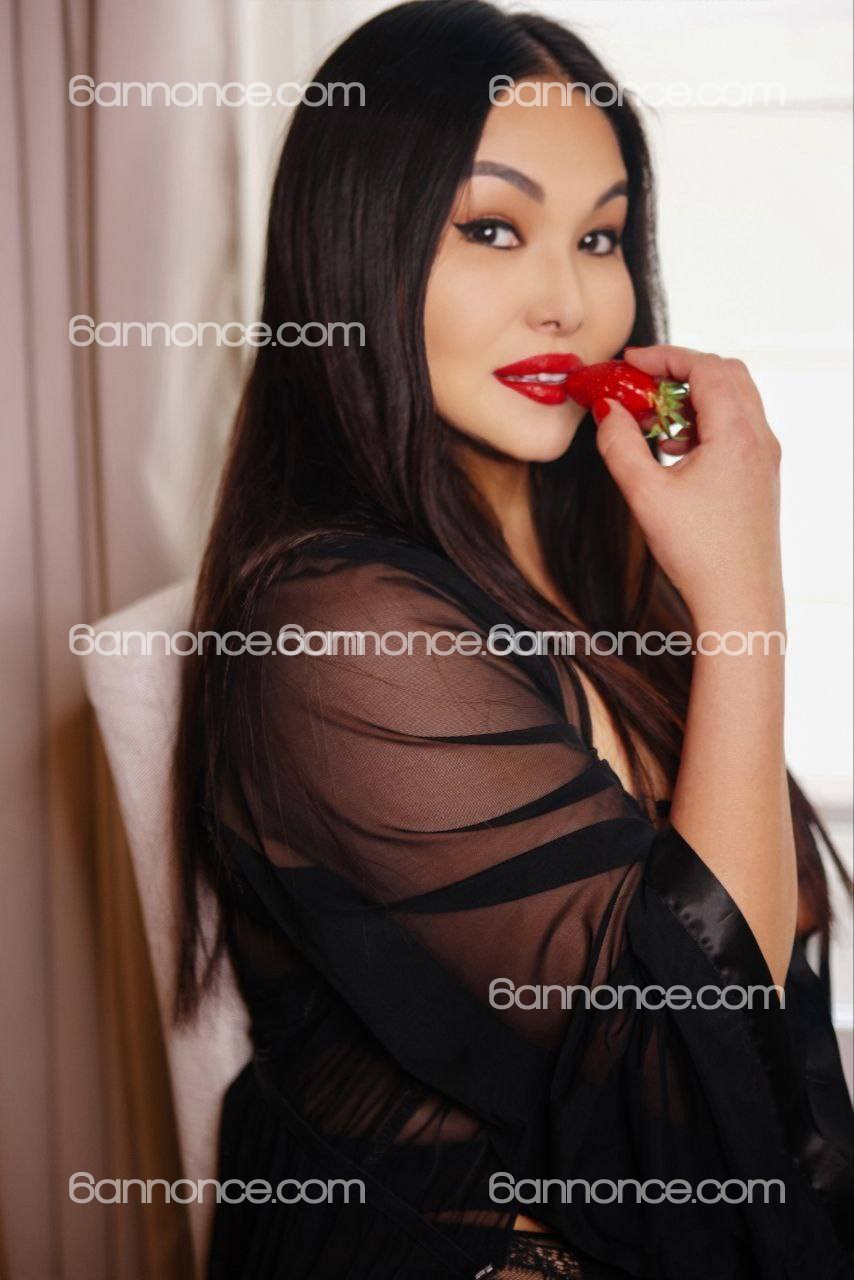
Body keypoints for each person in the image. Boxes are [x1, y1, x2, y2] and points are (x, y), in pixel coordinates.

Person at [171, 2, 854, 1276]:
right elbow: (692, 1091)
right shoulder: (339, 635)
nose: (567, 299)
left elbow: (749, 1017)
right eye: (492, 229)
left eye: (599, 237)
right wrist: (743, 608)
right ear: (356, 246)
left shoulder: (592, 559)